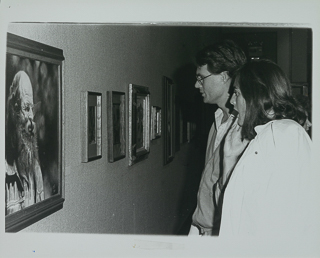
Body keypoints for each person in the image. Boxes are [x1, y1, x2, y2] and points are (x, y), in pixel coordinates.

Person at [219, 59, 315, 237]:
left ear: (256, 95)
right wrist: (229, 158)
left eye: (237, 93)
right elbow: (236, 210)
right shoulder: (263, 136)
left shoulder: (285, 134)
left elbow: (290, 221)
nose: (232, 101)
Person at [189, 40, 249, 236]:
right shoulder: (216, 122)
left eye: (201, 78)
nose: (196, 84)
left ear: (223, 76)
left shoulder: (246, 128)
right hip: (204, 230)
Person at [5, 71, 44, 215]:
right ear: (14, 109)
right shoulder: (5, 171)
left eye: (32, 109)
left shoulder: (36, 168)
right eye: (26, 108)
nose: (31, 117)